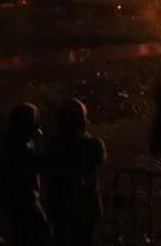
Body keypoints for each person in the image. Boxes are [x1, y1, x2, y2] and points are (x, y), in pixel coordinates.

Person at [42, 99, 107, 246]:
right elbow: (101, 155)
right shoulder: (90, 145)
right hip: (86, 207)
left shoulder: (53, 145)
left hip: (60, 206)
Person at [0, 102, 53, 246]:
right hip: (25, 199)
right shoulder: (18, 148)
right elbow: (38, 165)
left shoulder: (11, 143)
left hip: (16, 200)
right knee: (44, 237)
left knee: (23, 237)